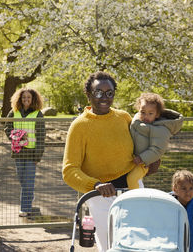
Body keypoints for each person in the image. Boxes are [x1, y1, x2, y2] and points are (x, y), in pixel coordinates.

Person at [62, 71, 142, 252]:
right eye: (98, 92)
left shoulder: (124, 118)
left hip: (132, 187)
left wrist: (149, 161)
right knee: (109, 244)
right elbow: (69, 170)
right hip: (100, 194)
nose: (104, 97)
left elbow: (139, 148)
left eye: (109, 93)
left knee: (137, 239)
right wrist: (95, 185)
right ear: (89, 95)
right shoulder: (79, 126)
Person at [128, 92, 184, 189]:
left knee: (132, 179)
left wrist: (142, 158)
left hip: (143, 163)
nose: (146, 116)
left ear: (157, 114)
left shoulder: (161, 130)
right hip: (131, 158)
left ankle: (134, 199)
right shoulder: (137, 122)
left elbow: (158, 149)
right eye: (143, 112)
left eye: (150, 113)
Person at [4, 88, 45, 218]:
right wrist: (14, 137)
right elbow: (7, 128)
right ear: (19, 99)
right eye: (23, 97)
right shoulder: (14, 112)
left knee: (28, 181)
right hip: (18, 152)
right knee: (22, 179)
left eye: (28, 97)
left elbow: (41, 136)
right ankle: (30, 196)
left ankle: (25, 208)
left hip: (32, 153)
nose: (26, 100)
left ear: (33, 99)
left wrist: (38, 156)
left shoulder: (38, 114)